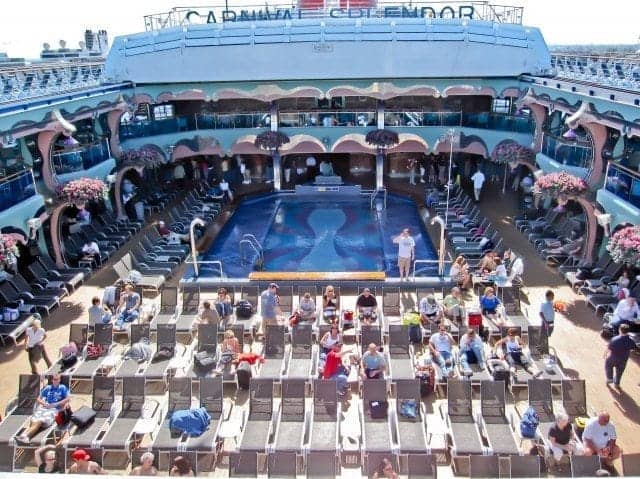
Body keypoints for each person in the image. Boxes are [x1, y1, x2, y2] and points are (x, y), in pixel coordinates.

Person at [15, 374, 70, 444]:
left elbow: (68, 398)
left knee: (39, 421)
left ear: (59, 380)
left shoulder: (63, 388)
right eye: (54, 379)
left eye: (57, 379)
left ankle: (25, 435)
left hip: (53, 410)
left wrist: (56, 404)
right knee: (34, 420)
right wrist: (44, 403)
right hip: (44, 408)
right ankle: (26, 437)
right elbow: (38, 398)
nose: (55, 381)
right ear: (52, 380)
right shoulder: (48, 388)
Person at [604, 323, 636, 388]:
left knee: (608, 366)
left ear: (619, 330)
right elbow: (633, 349)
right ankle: (617, 383)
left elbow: (608, 348)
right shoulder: (631, 341)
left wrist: (605, 354)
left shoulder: (614, 339)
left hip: (613, 358)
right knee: (619, 373)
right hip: (623, 360)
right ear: (628, 331)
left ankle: (610, 379)